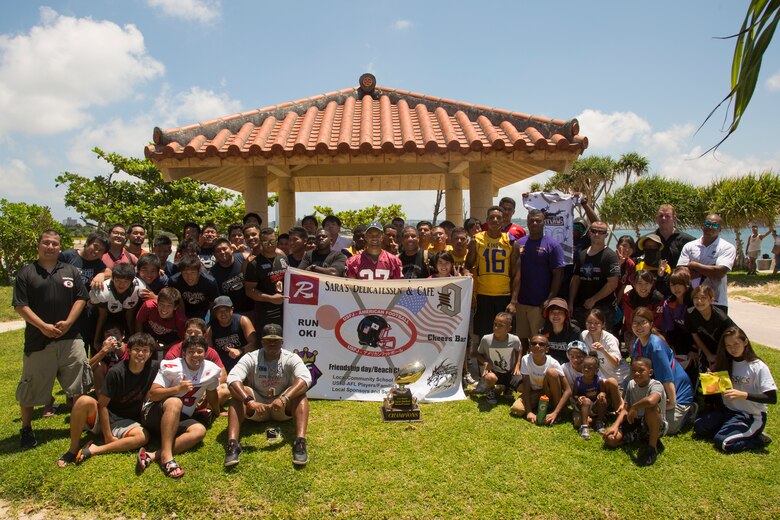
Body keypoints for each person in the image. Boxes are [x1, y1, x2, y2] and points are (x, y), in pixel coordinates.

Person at [14, 230, 89, 449]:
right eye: (46, 243)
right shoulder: (26, 273)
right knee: (31, 387)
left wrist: (68, 322)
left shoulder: (70, 271)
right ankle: (26, 428)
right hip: (39, 339)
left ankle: (80, 424)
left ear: (59, 247)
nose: (50, 247)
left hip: (71, 337)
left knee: (79, 384)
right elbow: (20, 305)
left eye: (54, 244)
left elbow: (81, 298)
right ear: (38, 245)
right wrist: (42, 326)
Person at [55, 333, 159, 467]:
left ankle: (95, 450)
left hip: (127, 421)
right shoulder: (116, 372)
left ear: (150, 354)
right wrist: (108, 435)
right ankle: (73, 449)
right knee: (83, 401)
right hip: (106, 415)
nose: (141, 353)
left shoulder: (154, 367)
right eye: (137, 349)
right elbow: (102, 405)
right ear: (128, 351)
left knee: (143, 437)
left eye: (145, 350)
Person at [223, 324, 312, 467]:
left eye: (276, 341)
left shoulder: (291, 357)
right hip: (257, 407)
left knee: (300, 393)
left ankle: (300, 442)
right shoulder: (251, 357)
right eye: (268, 340)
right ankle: (233, 444)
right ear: (262, 342)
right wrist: (249, 401)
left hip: (282, 407)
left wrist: (284, 398)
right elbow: (232, 379)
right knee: (239, 394)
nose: (272, 344)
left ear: (282, 342)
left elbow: (306, 378)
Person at [139, 335, 221, 478]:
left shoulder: (211, 369)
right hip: (154, 414)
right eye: (191, 351)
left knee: (199, 430)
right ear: (184, 353)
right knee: (175, 402)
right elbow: (153, 394)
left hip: (180, 418)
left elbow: (212, 393)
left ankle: (153, 455)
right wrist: (177, 389)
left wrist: (218, 412)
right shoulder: (172, 366)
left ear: (206, 353)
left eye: (200, 351)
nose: (196, 355)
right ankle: (167, 459)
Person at [694, 326, 776, 452]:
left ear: (745, 342)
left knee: (723, 443)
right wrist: (712, 382)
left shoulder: (758, 366)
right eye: (728, 345)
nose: (733, 348)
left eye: (736, 344)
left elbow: (772, 398)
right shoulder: (725, 362)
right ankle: (733, 429)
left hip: (751, 415)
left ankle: (758, 438)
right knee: (699, 427)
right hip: (728, 411)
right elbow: (714, 395)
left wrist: (743, 395)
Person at [631, 307, 695, 436]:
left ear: (651, 324)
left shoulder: (656, 347)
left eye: (643, 322)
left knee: (664, 427)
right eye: (635, 323)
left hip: (676, 394)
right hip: (657, 389)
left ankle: (690, 410)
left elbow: (667, 380)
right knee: (640, 419)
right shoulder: (638, 342)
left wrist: (671, 403)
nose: (639, 327)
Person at [508, 209, 565, 350]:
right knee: (521, 339)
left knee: (538, 341)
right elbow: (514, 271)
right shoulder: (519, 243)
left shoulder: (552, 245)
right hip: (520, 302)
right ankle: (523, 367)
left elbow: (559, 274)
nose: (534, 223)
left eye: (538, 220)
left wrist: (549, 299)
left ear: (543, 222)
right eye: (531, 220)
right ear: (527, 221)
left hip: (539, 304)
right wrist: (513, 300)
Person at [602, 357, 667, 466]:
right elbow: (625, 408)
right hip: (636, 422)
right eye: (633, 370)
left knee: (651, 408)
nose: (637, 373)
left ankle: (652, 447)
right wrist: (615, 425)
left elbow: (651, 401)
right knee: (610, 439)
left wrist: (635, 407)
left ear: (650, 372)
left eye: (641, 370)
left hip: (654, 423)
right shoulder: (631, 384)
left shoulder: (656, 385)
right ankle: (638, 438)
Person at [466, 206, 517, 339]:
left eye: (498, 218)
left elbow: (516, 273)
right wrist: (466, 273)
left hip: (504, 295)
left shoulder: (510, 241)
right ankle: (486, 360)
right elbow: (467, 265)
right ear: (487, 220)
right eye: (491, 217)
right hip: (483, 296)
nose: (495, 220)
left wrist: (514, 301)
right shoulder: (476, 240)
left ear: (503, 220)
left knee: (505, 336)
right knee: (485, 336)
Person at [677, 214, 736, 311]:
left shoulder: (727, 247)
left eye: (715, 225)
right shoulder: (689, 246)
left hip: (716, 302)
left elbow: (719, 273)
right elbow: (681, 274)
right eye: (707, 224)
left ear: (720, 229)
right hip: (691, 300)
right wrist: (711, 269)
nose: (710, 227)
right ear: (702, 225)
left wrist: (694, 265)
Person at [568, 221, 620, 328]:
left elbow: (613, 283)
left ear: (606, 235)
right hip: (582, 307)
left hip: (603, 309)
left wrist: (594, 299)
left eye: (601, 232)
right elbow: (576, 279)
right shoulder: (582, 254)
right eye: (594, 231)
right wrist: (570, 302)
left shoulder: (610, 256)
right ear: (589, 233)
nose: (597, 234)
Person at [514, 335, 571, 425]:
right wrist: (529, 411)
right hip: (535, 392)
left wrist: (555, 413)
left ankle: (556, 411)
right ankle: (540, 406)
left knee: (552, 372)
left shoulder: (553, 362)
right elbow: (526, 386)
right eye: (534, 343)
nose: (537, 346)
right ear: (529, 347)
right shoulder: (525, 360)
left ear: (547, 349)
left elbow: (568, 390)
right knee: (517, 409)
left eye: (541, 344)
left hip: (549, 393)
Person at [90, 262, 145, 352]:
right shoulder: (103, 290)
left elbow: (129, 315)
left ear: (131, 281)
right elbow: (102, 316)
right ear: (112, 279)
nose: (121, 285)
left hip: (125, 316)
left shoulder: (139, 287)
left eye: (125, 282)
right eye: (118, 281)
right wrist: (96, 340)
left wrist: (133, 336)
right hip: (105, 317)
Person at [244, 226, 289, 330]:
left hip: (286, 312)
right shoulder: (254, 264)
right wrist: (270, 298)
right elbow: (249, 291)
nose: (269, 244)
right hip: (266, 314)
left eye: (272, 241)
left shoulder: (283, 258)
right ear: (260, 242)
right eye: (265, 242)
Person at [685, 285, 735, 371]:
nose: (699, 301)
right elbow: (695, 335)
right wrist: (708, 355)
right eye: (696, 297)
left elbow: (731, 338)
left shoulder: (721, 318)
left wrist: (719, 358)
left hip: (725, 349)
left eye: (703, 298)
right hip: (705, 348)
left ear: (711, 300)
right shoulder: (690, 314)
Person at [475, 313, 521, 405]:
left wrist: (517, 364)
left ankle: (509, 388)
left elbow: (519, 349)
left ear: (509, 329)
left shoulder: (514, 339)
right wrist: (485, 362)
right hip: (494, 372)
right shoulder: (486, 339)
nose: (496, 327)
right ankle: (490, 391)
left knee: (522, 384)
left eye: (501, 326)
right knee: (490, 377)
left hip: (509, 371)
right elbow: (478, 354)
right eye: (495, 324)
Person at [207, 296, 257, 373]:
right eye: (219, 311)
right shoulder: (210, 328)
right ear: (215, 312)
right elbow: (209, 351)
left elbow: (254, 344)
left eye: (226, 310)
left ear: (232, 309)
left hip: (243, 363)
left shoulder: (243, 320)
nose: (223, 314)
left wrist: (240, 351)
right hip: (222, 366)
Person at [581, 308, 630, 383]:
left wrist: (603, 351)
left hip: (621, 377)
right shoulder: (584, 335)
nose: (592, 325)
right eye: (589, 322)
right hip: (602, 379)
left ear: (603, 324)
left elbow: (615, 363)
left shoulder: (609, 339)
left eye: (597, 323)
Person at [573, 354, 615, 440]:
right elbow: (574, 394)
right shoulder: (578, 380)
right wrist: (578, 398)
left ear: (596, 371)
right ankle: (584, 427)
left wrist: (602, 394)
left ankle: (599, 422)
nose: (586, 369)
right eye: (584, 367)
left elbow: (603, 392)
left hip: (594, 407)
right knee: (587, 401)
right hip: (583, 406)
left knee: (603, 400)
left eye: (590, 368)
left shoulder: (599, 380)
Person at [135, 287, 187, 355]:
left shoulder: (181, 319)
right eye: (161, 304)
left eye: (169, 305)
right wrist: (141, 340)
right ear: (157, 302)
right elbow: (138, 322)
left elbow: (182, 339)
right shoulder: (148, 306)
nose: (164, 309)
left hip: (168, 340)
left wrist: (164, 347)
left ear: (175, 307)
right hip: (148, 335)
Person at [621, 270, 664, 348]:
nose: (643, 287)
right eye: (639, 283)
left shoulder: (658, 298)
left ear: (651, 284)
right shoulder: (628, 297)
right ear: (634, 284)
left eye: (647, 283)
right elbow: (630, 321)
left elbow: (657, 321)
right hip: (633, 331)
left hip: (653, 331)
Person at [169, 255, 219, 320]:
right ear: (180, 272)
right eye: (185, 273)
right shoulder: (174, 281)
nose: (189, 277)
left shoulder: (209, 282)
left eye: (192, 273)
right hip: (182, 310)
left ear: (199, 271)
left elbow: (213, 304)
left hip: (202, 310)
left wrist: (211, 323)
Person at [210, 237, 252, 314]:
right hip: (231, 314)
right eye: (218, 251)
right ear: (214, 255)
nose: (222, 252)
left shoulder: (244, 258)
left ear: (231, 249)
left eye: (224, 249)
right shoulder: (213, 273)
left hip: (252, 309)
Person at [538, 298, 581, 364]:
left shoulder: (574, 331)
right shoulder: (542, 331)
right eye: (552, 312)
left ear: (566, 314)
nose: (555, 315)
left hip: (569, 365)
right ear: (548, 315)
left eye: (560, 312)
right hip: (549, 365)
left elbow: (575, 356)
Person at [653, 204, 695, 268]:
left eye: (667, 216)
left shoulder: (688, 240)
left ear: (674, 218)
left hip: (678, 277)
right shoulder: (649, 239)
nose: (663, 218)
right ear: (656, 218)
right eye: (661, 216)